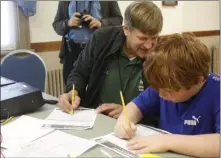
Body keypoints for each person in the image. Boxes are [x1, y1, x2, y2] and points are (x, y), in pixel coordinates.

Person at [114, 33, 220, 158]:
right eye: (158, 89)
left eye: (168, 90)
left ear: (199, 81)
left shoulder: (216, 90)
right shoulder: (164, 83)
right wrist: (123, 122)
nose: (161, 95)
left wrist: (167, 141)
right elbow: (135, 107)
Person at [58, 1, 163, 120]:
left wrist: (132, 112)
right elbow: (79, 73)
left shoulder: (161, 54)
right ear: (126, 29)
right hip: (97, 118)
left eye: (154, 38)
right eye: (142, 38)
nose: (149, 46)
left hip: (137, 125)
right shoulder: (102, 39)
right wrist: (73, 91)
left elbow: (164, 102)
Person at [52, 1, 123, 85]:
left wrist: (101, 23)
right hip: (71, 52)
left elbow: (118, 20)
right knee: (71, 90)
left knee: (98, 89)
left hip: (99, 51)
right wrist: (68, 23)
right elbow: (56, 25)